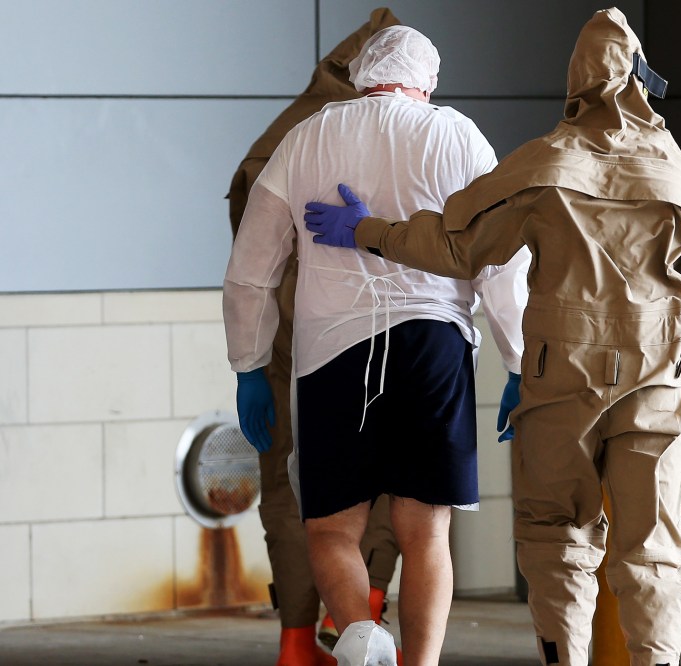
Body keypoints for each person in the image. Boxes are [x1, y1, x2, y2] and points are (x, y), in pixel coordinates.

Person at [300, 8, 681, 666]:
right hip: (660, 389)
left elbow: (455, 243)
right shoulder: (679, 177)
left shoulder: (543, 166)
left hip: (561, 389)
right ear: (641, 82)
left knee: (557, 544)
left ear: (576, 81)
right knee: (655, 551)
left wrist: (365, 231)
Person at [223, 23, 529, 666]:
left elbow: (253, 267)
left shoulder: (305, 138)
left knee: (332, 528)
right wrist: (521, 363)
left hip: (334, 355)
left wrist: (249, 366)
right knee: (427, 533)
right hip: (435, 347)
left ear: (360, 74)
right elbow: (501, 263)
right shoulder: (458, 136)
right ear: (428, 80)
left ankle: (360, 641)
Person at [225, 10, 405, 665]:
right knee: (389, 478)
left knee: (286, 482)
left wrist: (247, 363)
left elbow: (246, 258)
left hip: (284, 340)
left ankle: (298, 640)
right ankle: (365, 616)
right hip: (376, 333)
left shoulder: (278, 140)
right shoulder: (400, 134)